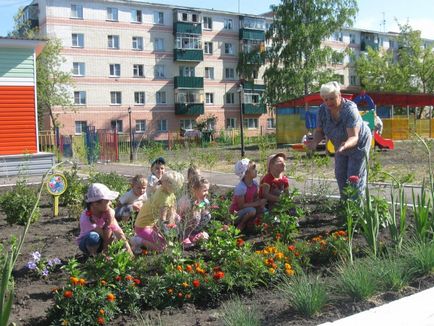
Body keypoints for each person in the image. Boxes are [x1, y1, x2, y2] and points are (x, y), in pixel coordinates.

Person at [306, 81, 372, 197]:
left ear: (339, 96)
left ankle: (357, 210)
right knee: (340, 174)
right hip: (340, 145)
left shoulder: (349, 110)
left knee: (354, 177)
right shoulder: (322, 110)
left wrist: (345, 145)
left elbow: (354, 137)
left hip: (358, 143)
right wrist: (315, 142)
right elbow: (320, 131)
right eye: (325, 99)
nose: (328, 102)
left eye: (332, 98)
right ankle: (345, 207)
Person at [131, 170, 184, 253]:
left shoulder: (167, 192)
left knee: (165, 243)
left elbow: (173, 209)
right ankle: (137, 240)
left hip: (152, 225)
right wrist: (170, 233)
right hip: (142, 227)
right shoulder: (163, 199)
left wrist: (175, 218)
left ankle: (145, 238)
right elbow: (163, 221)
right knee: (162, 248)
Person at [77, 183, 133, 256]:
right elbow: (104, 236)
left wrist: (129, 251)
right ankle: (93, 256)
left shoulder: (106, 212)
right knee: (93, 237)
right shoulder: (86, 218)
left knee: (115, 235)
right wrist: (109, 222)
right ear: (96, 204)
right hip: (88, 243)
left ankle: (104, 253)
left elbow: (118, 231)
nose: (110, 203)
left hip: (104, 240)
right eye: (107, 201)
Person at [230, 158, 267, 232]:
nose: (256, 170)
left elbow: (255, 197)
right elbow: (241, 206)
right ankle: (241, 224)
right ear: (246, 173)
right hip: (236, 213)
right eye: (253, 168)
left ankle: (251, 223)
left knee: (264, 210)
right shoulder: (241, 187)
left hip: (247, 209)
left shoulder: (255, 184)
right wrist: (257, 203)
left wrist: (260, 202)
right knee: (252, 210)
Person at [179, 177, 212, 248]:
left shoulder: (204, 201)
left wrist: (200, 209)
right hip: (181, 224)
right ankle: (183, 237)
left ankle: (193, 233)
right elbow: (178, 214)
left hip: (193, 224)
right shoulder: (186, 201)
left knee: (207, 215)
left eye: (207, 190)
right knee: (195, 216)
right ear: (194, 190)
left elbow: (202, 210)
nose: (207, 193)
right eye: (204, 190)